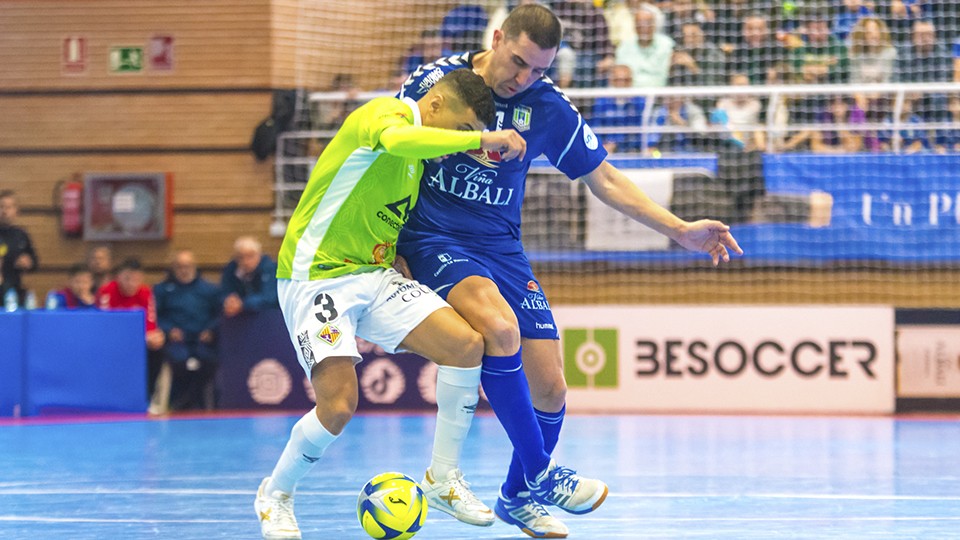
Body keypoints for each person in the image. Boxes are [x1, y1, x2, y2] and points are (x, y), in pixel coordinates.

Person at [397, 4, 742, 537]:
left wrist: (677, 229)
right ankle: (541, 473)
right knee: (499, 327)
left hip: (502, 247)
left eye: (538, 69)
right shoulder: (437, 82)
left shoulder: (546, 105)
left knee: (552, 389)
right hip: (434, 237)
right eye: (517, 63)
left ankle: (516, 497)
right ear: (497, 38)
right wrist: (386, 243)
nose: (523, 78)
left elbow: (603, 179)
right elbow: (392, 153)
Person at [253, 68, 527, 540]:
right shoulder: (385, 113)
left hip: (372, 274)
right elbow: (399, 141)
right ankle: (275, 494)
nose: (463, 139)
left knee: (466, 345)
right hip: (316, 274)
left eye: (469, 133)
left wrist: (396, 253)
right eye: (461, 127)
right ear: (435, 105)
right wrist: (480, 138)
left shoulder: (418, 163)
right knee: (338, 406)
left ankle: (443, 479)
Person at [153, 250, 221, 411]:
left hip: (202, 339)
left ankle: (197, 401)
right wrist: (169, 330)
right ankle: (180, 403)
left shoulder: (209, 289)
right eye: (179, 267)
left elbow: (219, 315)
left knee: (208, 361)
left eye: (188, 266)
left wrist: (210, 330)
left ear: (194, 267)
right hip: (177, 341)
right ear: (173, 268)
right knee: (179, 361)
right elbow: (156, 315)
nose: (184, 270)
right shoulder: (162, 289)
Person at [97, 258, 166, 400]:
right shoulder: (106, 292)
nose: (131, 284)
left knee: (157, 350)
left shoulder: (145, 293)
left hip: (139, 342)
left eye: (136, 279)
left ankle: (148, 397)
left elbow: (151, 322)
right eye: (127, 279)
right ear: (119, 277)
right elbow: (105, 324)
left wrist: (154, 337)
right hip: (111, 343)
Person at [220, 236, 280, 318]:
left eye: (250, 256)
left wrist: (243, 304)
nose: (245, 261)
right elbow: (223, 292)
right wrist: (228, 300)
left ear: (259, 255)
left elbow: (270, 298)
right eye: (240, 257)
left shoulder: (270, 270)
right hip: (239, 319)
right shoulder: (231, 270)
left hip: (268, 318)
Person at [0, 190, 38, 306]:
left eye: (9, 207)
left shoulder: (21, 235)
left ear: (16, 211)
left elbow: (35, 263)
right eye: (1, 207)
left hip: (14, 291)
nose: (4, 211)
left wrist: (28, 263)